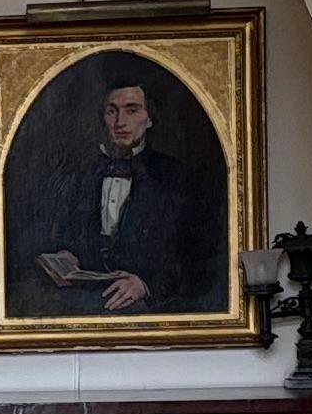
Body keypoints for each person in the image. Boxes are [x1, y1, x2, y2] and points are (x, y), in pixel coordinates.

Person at [11, 71, 219, 317]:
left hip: (154, 307)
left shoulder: (175, 177)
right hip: (85, 304)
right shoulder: (79, 176)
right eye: (112, 111)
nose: (120, 122)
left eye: (132, 110)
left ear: (149, 118)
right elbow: (58, 237)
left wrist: (146, 285)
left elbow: (198, 258)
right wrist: (66, 258)